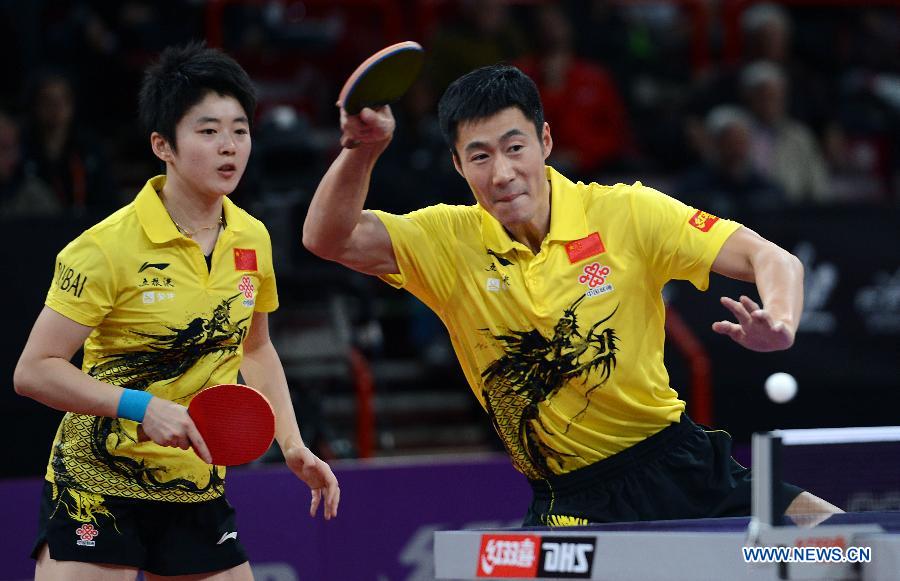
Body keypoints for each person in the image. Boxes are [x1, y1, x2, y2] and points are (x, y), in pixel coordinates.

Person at [303, 64, 839, 526]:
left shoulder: (626, 212)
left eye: (515, 148)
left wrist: (782, 320)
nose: (504, 173)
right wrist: (362, 151)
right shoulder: (445, 240)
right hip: (571, 499)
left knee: (844, 546)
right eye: (481, 156)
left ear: (546, 142)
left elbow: (772, 258)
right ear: (458, 166)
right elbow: (326, 239)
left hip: (681, 464)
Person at [13, 43, 340, 580]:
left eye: (239, 130)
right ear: (163, 145)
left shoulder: (251, 239)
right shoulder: (104, 248)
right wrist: (141, 406)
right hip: (98, 483)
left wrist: (293, 443)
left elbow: (254, 347)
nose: (229, 147)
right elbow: (34, 371)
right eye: (208, 131)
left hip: (194, 483)